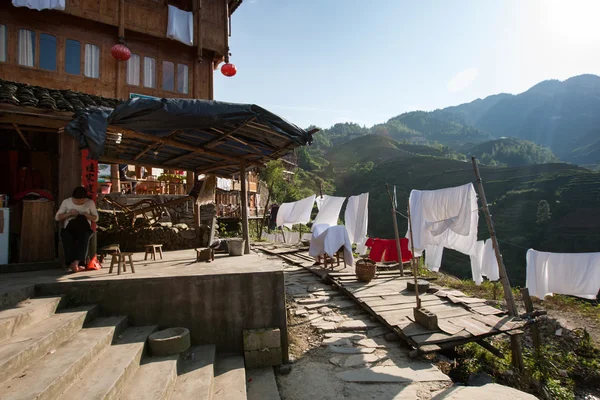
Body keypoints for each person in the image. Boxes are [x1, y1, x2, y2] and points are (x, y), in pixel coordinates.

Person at [55, 187, 99, 273]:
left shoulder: (90, 203)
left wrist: (86, 215)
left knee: (84, 238)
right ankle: (71, 263)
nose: (79, 202)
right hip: (69, 228)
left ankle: (77, 262)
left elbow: (96, 218)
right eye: (77, 200)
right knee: (67, 238)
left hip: (84, 229)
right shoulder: (67, 202)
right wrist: (69, 213)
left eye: (82, 200)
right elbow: (57, 217)